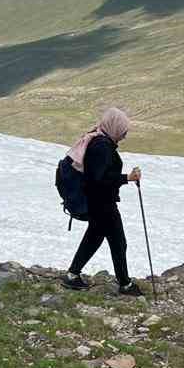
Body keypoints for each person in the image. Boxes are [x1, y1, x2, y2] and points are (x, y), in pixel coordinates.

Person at [61, 107, 145, 297]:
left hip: (97, 203)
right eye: (123, 130)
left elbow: (96, 177)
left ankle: (72, 275)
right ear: (114, 127)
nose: (124, 134)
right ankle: (125, 284)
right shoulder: (102, 147)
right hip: (102, 204)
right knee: (118, 242)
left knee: (94, 238)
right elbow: (98, 179)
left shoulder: (99, 141)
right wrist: (127, 178)